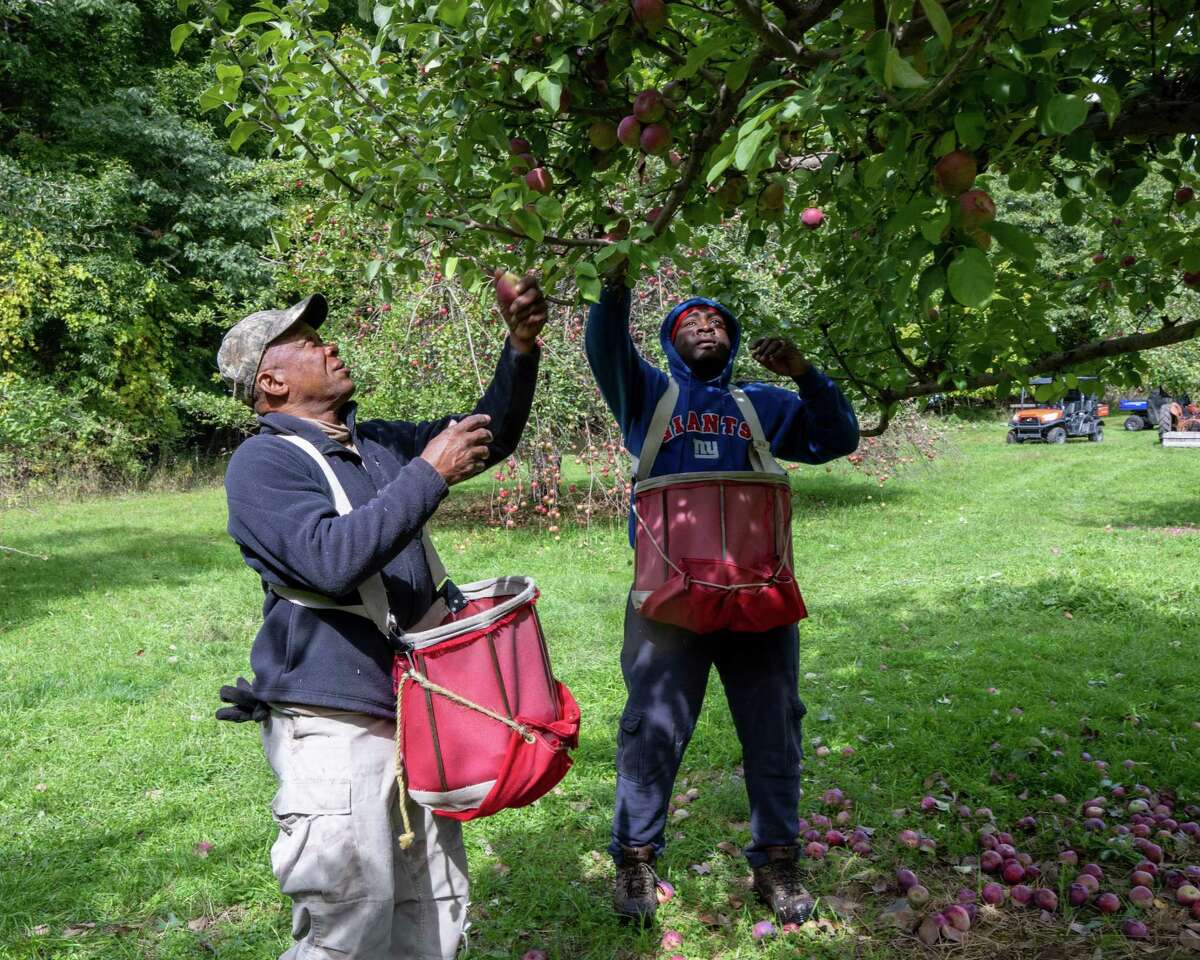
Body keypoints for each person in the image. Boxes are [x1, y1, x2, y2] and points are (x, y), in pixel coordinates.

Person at [215, 273, 547, 960]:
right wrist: (429, 474)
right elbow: (329, 561)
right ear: (270, 384)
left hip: (418, 715)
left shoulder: (380, 443)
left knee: (435, 910)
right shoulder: (262, 465)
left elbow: (491, 433)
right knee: (349, 922)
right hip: (335, 725)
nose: (328, 345)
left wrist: (519, 346)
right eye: (306, 343)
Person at [584, 279, 860, 925]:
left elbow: (838, 437)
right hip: (668, 601)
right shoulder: (647, 395)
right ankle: (634, 858)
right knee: (650, 729)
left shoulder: (761, 403)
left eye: (718, 321)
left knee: (775, 728)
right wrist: (615, 279)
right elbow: (604, 343)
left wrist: (806, 374)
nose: (707, 325)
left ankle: (776, 860)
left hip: (757, 595)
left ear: (733, 341)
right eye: (691, 320)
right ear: (669, 338)